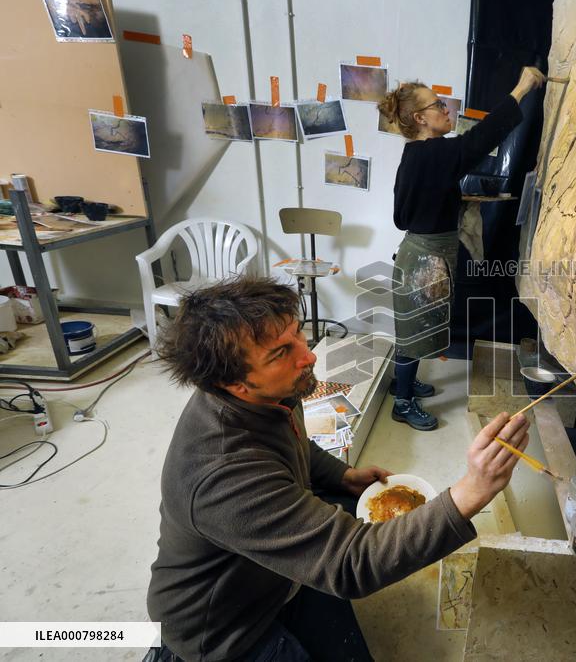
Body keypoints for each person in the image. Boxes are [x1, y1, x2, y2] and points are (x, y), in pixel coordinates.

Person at [144, 278, 530, 661]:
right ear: (235, 384)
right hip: (225, 628)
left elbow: (292, 441)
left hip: (269, 576)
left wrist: (341, 476)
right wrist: (472, 491)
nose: (308, 356)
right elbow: (350, 563)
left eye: (297, 333)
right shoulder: (225, 474)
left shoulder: (267, 393)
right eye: (280, 353)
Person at [376, 66, 547, 431]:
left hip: (419, 252)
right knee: (414, 333)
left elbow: (401, 217)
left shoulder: (416, 155)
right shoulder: (436, 153)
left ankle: (405, 383)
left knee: (417, 327)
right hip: (426, 260)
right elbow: (483, 137)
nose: (446, 109)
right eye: (437, 105)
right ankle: (402, 403)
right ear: (421, 118)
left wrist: (450, 202)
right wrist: (521, 88)